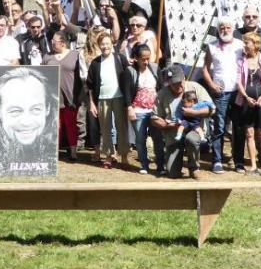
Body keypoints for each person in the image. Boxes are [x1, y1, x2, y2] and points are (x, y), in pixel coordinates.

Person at [0, 66, 57, 169]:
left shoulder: (52, 148)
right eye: (15, 111)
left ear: (47, 108)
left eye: (35, 109)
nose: (26, 122)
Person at [152, 67, 213, 179]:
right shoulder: (162, 94)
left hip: (194, 129)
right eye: (174, 83)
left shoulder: (195, 87)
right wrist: (166, 125)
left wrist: (194, 112)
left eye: (180, 82)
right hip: (174, 134)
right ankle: (175, 165)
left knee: (192, 139)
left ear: (184, 78)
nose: (179, 86)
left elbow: (211, 109)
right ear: (168, 83)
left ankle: (194, 167)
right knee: (172, 174)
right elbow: (154, 118)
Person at [202, 18, 244, 174]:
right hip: (220, 92)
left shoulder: (240, 45)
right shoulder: (211, 46)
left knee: (238, 128)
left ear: (232, 29)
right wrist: (211, 84)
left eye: (228, 27)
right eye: (222, 27)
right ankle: (217, 161)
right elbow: (205, 68)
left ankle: (239, 162)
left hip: (238, 91)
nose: (225, 30)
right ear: (218, 29)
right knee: (219, 127)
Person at [234, 32, 261, 175]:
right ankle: (253, 165)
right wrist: (245, 97)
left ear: (255, 44)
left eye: (247, 42)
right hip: (246, 101)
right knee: (249, 133)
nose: (244, 45)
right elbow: (239, 81)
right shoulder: (241, 61)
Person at [87, 31, 129, 169]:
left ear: (112, 44)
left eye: (107, 43)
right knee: (105, 129)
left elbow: (128, 78)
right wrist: (92, 103)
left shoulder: (120, 59)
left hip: (119, 98)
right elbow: (90, 86)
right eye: (102, 44)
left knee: (121, 127)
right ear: (99, 45)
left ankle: (123, 155)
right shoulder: (95, 63)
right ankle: (109, 155)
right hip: (102, 99)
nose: (105, 46)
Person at [123, 43, 163, 176]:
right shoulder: (130, 71)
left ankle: (161, 165)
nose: (146, 62)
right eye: (143, 59)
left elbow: (161, 88)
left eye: (148, 58)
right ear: (136, 58)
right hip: (138, 110)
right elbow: (127, 91)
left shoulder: (155, 68)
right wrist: (129, 108)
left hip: (154, 111)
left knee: (157, 138)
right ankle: (144, 164)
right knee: (140, 139)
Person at [45, 31, 83, 161]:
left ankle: (73, 152)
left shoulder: (75, 55)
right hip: (52, 97)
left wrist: (80, 95)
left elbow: (81, 76)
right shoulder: (47, 57)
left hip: (70, 97)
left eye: (54, 41)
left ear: (62, 42)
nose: (51, 42)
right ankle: (54, 152)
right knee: (55, 125)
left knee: (71, 124)